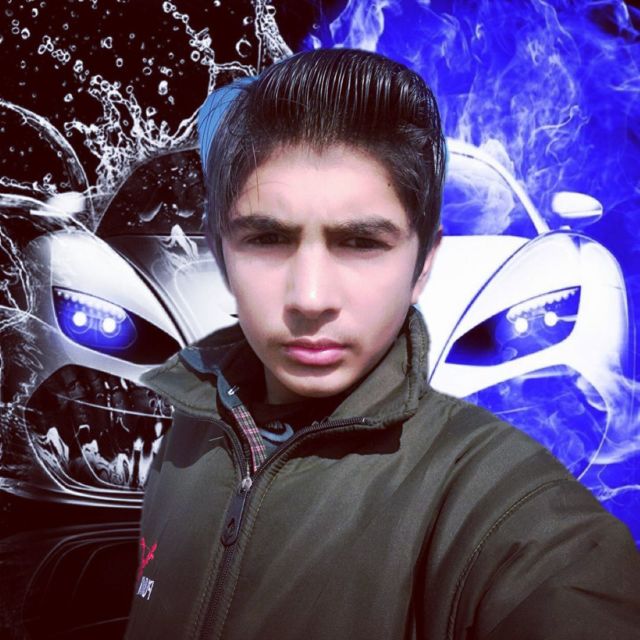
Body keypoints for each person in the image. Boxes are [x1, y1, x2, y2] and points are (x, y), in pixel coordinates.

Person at [124, 48, 640, 639]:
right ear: (221, 251)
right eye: (266, 238)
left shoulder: (505, 505)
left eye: (362, 243)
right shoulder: (189, 433)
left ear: (424, 264)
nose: (310, 297)